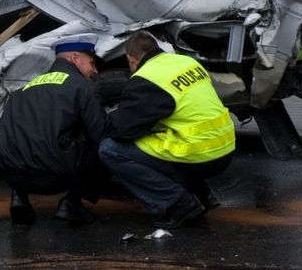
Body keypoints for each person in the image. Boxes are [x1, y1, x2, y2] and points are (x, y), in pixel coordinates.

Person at [99, 30, 235, 229]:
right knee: (164, 139)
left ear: (131, 59)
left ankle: (180, 204)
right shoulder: (186, 62)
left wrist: (105, 118)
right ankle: (202, 195)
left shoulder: (147, 78)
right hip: (225, 147)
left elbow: (123, 130)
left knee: (110, 149)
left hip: (200, 155)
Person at [0, 34, 109, 225]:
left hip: (14, 175)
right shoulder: (81, 87)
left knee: (24, 137)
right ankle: (71, 203)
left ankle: (19, 198)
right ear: (75, 58)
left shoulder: (24, 89)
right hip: (54, 177)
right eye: (92, 63)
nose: (95, 71)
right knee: (108, 147)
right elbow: (101, 134)